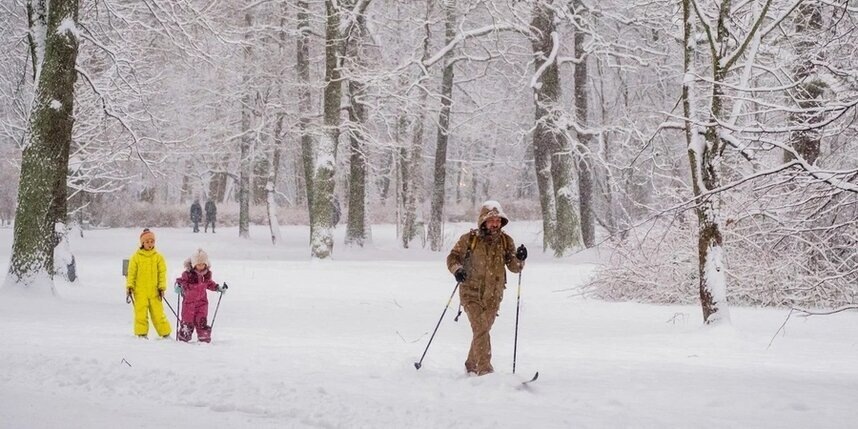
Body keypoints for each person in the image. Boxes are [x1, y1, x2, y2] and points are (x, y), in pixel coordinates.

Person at [446, 201, 527, 376]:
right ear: (483, 221)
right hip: (471, 293)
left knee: (481, 330)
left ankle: (471, 363)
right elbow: (452, 258)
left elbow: (514, 267)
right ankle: (485, 370)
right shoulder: (470, 239)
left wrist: (520, 259)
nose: (495, 224)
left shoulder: (506, 241)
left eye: (498, 220)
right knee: (481, 328)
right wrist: (457, 270)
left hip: (494, 296)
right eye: (491, 220)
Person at [126, 228, 172, 339]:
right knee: (140, 314)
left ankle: (165, 333)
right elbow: (131, 273)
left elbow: (162, 273)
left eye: (152, 241)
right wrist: (129, 286)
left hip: (155, 292)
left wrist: (162, 287)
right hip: (140, 291)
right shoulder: (136, 257)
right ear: (142, 243)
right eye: (147, 242)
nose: (150, 244)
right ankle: (141, 333)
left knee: (158, 313)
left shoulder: (158, 257)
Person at [174, 248, 225, 343]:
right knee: (187, 322)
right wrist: (178, 286)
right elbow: (180, 281)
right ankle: (184, 336)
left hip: (202, 304)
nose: (201, 266)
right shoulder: (188, 275)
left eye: (203, 264)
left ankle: (203, 336)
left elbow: (210, 284)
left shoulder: (206, 276)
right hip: (188, 304)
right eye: (198, 264)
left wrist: (218, 288)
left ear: (206, 264)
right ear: (194, 265)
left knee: (201, 320)